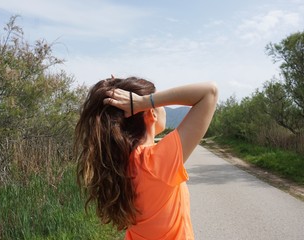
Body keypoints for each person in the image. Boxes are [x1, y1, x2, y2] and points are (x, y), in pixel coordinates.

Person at [75, 76, 218, 239]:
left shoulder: (118, 161)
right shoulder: (155, 162)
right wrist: (145, 101)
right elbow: (209, 92)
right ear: (151, 113)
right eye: (158, 105)